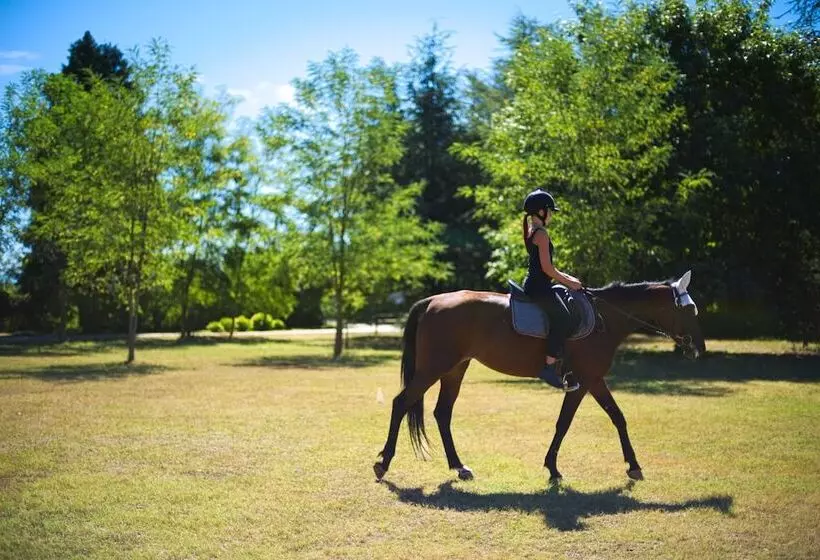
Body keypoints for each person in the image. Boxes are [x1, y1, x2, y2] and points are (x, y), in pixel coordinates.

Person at [521, 188, 581, 392]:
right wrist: (570, 282)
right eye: (550, 210)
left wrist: (568, 279)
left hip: (537, 284)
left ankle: (565, 366)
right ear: (540, 212)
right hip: (539, 287)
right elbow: (547, 268)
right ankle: (548, 367)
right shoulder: (542, 235)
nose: (552, 214)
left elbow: (546, 268)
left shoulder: (532, 231)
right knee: (563, 318)